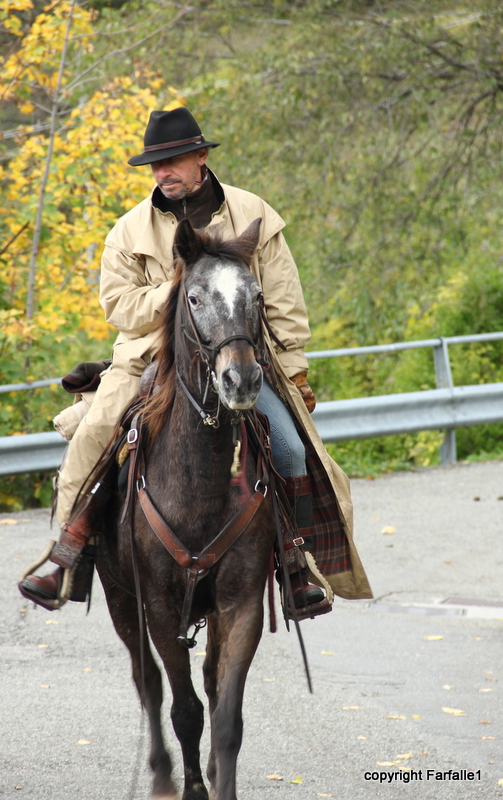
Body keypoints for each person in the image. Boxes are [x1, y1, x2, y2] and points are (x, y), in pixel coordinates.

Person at [19, 107, 371, 610]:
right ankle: (68, 554)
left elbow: (283, 298)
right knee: (94, 436)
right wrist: (181, 291)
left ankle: (295, 564)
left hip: (240, 354)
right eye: (156, 165)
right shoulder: (128, 231)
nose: (163, 172)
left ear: (201, 157)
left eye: (174, 161)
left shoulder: (253, 214)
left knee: (292, 450)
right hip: (150, 357)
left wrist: (293, 369)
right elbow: (118, 306)